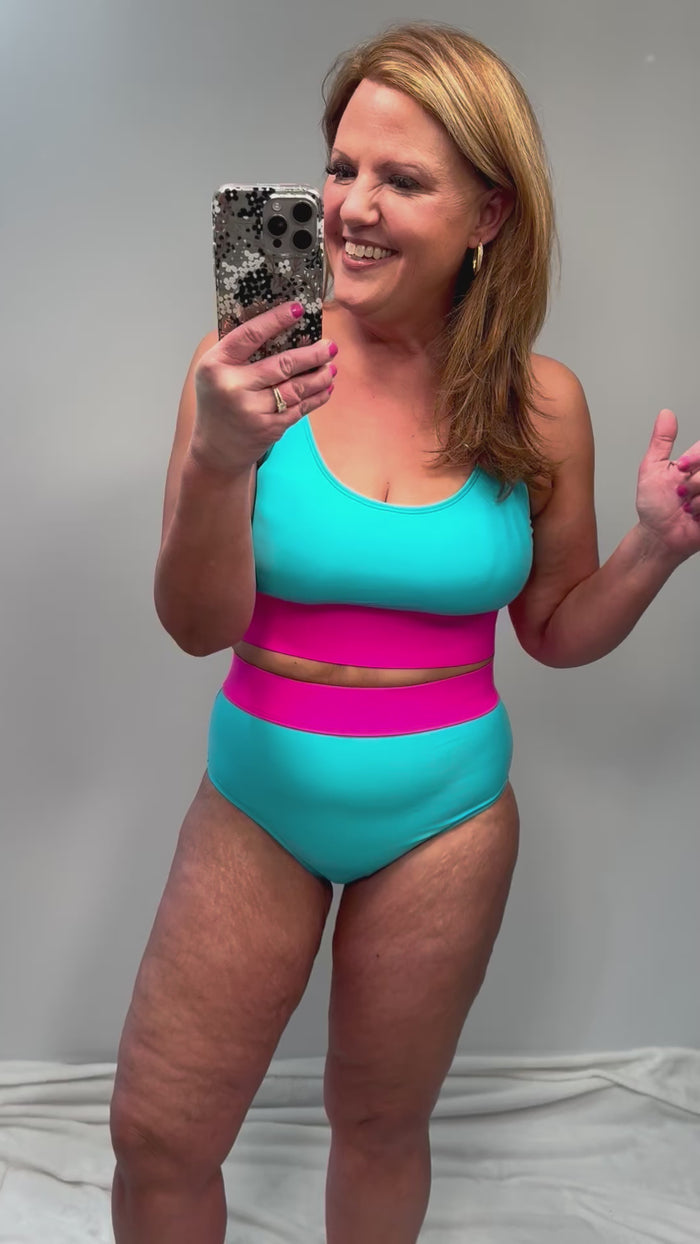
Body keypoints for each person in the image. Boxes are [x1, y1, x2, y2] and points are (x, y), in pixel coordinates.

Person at [108, 21, 700, 1244]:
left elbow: (553, 628)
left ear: (488, 213)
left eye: (401, 179)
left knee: (381, 1123)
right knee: (160, 1135)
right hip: (259, 797)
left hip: (446, 819)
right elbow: (193, 625)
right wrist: (218, 457)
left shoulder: (540, 401)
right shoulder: (247, 372)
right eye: (340, 168)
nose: (351, 207)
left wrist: (654, 549)